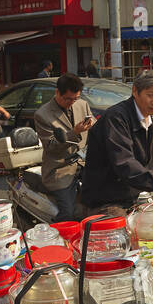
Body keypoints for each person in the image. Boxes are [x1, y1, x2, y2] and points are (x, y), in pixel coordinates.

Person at [80, 70, 153, 214]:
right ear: (135, 91)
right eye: (151, 95)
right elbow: (125, 164)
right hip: (107, 200)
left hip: (136, 197)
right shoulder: (116, 119)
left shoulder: (151, 123)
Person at [33, 73, 95, 222]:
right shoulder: (42, 114)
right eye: (68, 99)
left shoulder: (82, 104)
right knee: (68, 213)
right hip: (60, 168)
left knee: (101, 198)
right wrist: (74, 133)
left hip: (84, 163)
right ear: (57, 92)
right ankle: (59, 238)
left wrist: (93, 126)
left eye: (76, 98)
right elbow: (51, 147)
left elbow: (93, 124)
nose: (72, 102)